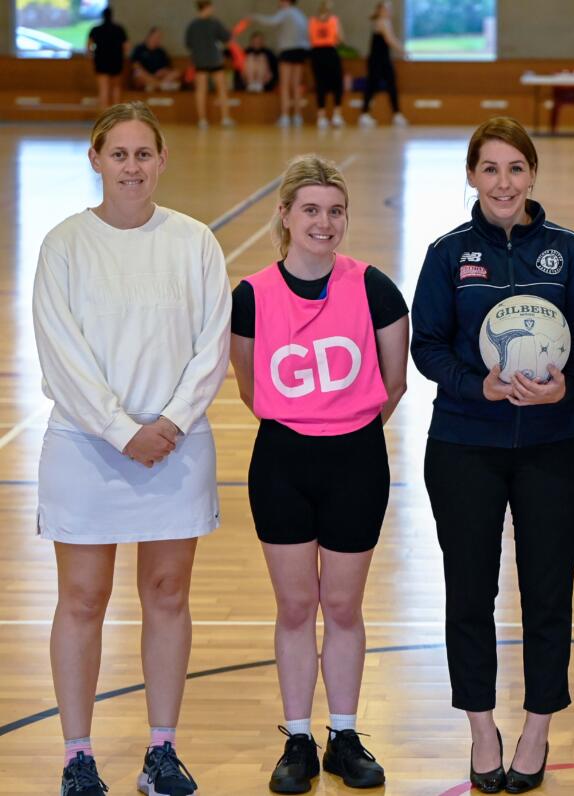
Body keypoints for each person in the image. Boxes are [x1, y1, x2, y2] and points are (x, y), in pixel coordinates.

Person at [33, 101, 230, 796]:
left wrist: (169, 423)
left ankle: (161, 751)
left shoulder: (195, 241)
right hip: (87, 448)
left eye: (143, 154)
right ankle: (78, 755)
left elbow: (213, 346)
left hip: (175, 447)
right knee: (82, 599)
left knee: (168, 594)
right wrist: (121, 430)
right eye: (119, 154)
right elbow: (61, 354)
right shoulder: (64, 245)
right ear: (95, 160)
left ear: (162, 160)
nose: (132, 167)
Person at [410, 117, 574, 794]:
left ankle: (537, 730)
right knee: (470, 592)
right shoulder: (447, 254)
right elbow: (426, 344)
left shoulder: (567, 251)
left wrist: (566, 388)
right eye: (489, 169)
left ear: (532, 175)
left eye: (515, 168)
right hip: (465, 444)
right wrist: (477, 384)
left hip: (553, 448)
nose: (502, 182)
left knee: (548, 594)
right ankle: (481, 727)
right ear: (471, 176)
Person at [228, 153, 409, 794]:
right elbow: (250, 385)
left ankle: (347, 735)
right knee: (296, 604)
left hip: (356, 458)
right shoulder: (250, 294)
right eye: (310, 210)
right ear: (285, 215)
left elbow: (395, 381)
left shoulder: (373, 286)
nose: (324, 223)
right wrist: (302, 420)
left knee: (343, 603)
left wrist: (344, 423)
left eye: (335, 211)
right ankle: (298, 738)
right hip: (281, 459)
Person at [248, 0, 310, 127]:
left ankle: (285, 116)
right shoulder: (300, 14)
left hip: (287, 50)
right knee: (296, 84)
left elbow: (272, 21)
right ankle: (298, 116)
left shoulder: (285, 12)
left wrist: (255, 17)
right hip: (301, 51)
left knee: (285, 85)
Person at [184, 0, 234, 128]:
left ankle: (202, 120)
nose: (213, 9)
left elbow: (188, 44)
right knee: (221, 89)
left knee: (201, 90)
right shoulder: (214, 23)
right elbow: (227, 39)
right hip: (215, 59)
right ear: (206, 7)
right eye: (211, 6)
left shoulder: (192, 25)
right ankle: (225, 118)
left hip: (200, 61)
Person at [359, 2, 407, 127]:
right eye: (387, 9)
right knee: (372, 85)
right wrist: (403, 50)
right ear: (381, 10)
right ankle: (364, 114)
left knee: (391, 83)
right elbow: (390, 40)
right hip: (376, 60)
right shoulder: (382, 22)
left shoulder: (385, 22)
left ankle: (396, 114)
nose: (389, 11)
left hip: (384, 59)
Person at [308, 1, 345, 128]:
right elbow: (340, 39)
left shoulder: (312, 21)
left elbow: (310, 38)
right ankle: (336, 115)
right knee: (337, 84)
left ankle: (321, 117)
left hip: (316, 54)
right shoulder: (334, 20)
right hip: (329, 52)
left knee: (320, 84)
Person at [87, 7, 128, 109]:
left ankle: (103, 117)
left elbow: (88, 46)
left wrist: (92, 56)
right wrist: (121, 56)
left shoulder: (95, 29)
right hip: (116, 61)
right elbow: (127, 47)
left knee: (103, 89)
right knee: (116, 89)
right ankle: (116, 117)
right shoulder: (119, 29)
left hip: (101, 62)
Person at [130, 27, 181, 92]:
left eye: (159, 38)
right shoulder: (139, 49)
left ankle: (154, 85)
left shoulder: (161, 51)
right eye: (155, 37)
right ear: (149, 36)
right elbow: (135, 65)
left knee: (177, 72)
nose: (157, 39)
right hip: (144, 75)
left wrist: (162, 72)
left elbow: (168, 68)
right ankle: (160, 85)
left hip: (159, 76)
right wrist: (149, 75)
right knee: (137, 72)